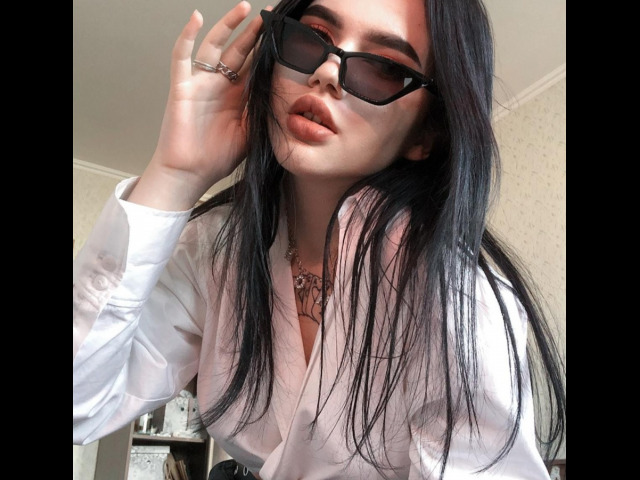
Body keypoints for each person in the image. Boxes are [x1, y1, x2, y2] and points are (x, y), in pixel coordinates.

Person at [73, 0, 566, 478]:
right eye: (313, 37)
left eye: (383, 68)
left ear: (425, 135)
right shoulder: (216, 248)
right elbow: (81, 403)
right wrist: (176, 175)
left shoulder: (456, 299)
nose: (327, 72)